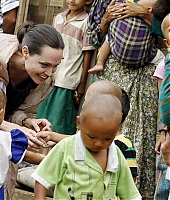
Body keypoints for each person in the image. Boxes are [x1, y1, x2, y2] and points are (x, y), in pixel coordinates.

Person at [87, 0, 170, 198]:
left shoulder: (159, 3)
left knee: (142, 136)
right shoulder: (107, 1)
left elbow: (165, 30)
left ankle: (134, 191)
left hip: (147, 74)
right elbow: (93, 36)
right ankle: (97, 184)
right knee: (108, 126)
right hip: (115, 74)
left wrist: (146, 15)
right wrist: (107, 19)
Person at [32, 93, 142, 200]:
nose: (99, 143)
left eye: (107, 138)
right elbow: (42, 179)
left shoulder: (116, 155)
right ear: (79, 122)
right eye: (92, 136)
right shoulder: (66, 148)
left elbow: (130, 194)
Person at [0, 21, 65, 199]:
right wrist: (14, 129)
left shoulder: (36, 79)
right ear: (26, 52)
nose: (50, 73)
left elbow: (8, 111)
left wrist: (26, 122)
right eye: (44, 65)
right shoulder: (1, 61)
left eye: (56, 66)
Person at [36, 0, 95, 135]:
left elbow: (87, 53)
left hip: (67, 80)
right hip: (49, 78)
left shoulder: (86, 22)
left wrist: (82, 83)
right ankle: (42, 154)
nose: (72, 0)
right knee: (42, 120)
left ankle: (56, 153)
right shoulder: (59, 18)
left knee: (59, 124)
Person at [88, 0, 165, 75]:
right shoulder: (104, 2)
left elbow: (167, 32)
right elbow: (93, 40)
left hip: (145, 69)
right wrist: (105, 21)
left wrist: (147, 15)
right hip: (110, 69)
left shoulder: (157, 3)